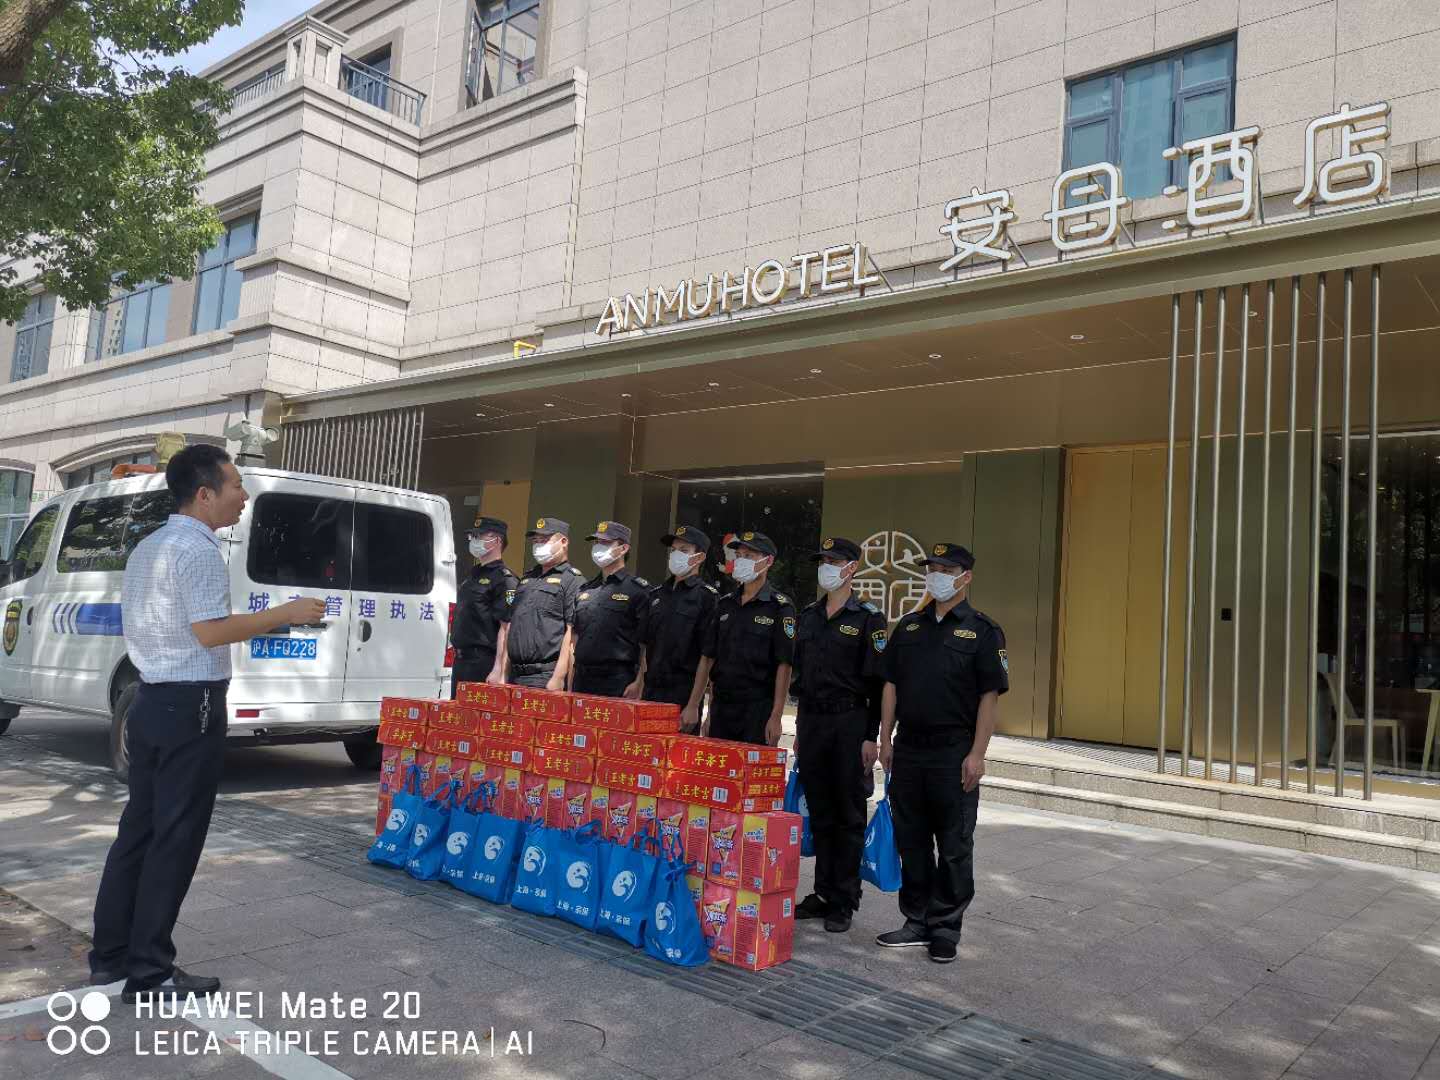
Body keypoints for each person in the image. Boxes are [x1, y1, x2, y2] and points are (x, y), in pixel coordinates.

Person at [90, 445, 327, 1002]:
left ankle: (111, 956)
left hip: (150, 701)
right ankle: (149, 972)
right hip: (190, 705)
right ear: (204, 494)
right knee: (174, 838)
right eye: (236, 485)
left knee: (138, 830)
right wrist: (285, 613)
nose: (243, 496)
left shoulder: (150, 545)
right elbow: (210, 632)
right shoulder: (197, 550)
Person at [876, 542, 1006, 964]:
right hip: (909, 749)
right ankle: (916, 920)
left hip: (953, 752)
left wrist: (978, 753)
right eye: (932, 568)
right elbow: (890, 684)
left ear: (965, 577)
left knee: (954, 844)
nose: (936, 576)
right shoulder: (909, 626)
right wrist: (886, 738)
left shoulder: (983, 631)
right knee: (911, 840)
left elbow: (989, 696)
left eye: (946, 570)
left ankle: (946, 927)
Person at [792, 537, 887, 934]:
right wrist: (800, 730)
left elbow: (878, 683)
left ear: (851, 568)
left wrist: (871, 736)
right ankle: (823, 891)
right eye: (823, 561)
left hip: (850, 723)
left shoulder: (868, 618)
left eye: (833, 561)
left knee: (848, 813)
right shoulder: (810, 615)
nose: (826, 567)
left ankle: (844, 899)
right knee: (820, 810)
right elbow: (802, 678)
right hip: (813, 722)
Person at [686, 531, 795, 746]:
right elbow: (710, 659)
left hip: (757, 708)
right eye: (739, 555)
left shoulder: (779, 607)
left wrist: (776, 716)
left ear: (768, 561)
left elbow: (784, 665)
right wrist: (705, 710)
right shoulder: (725, 604)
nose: (742, 561)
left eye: (749, 556)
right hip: (722, 706)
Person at [641, 525, 718, 729]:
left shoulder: (706, 598)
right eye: (674, 550)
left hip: (682, 696)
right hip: (650, 692)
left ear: (699, 557)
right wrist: (639, 685)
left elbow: (707, 658)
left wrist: (693, 704)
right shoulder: (656, 594)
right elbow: (646, 646)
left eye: (684, 551)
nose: (676, 555)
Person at [501, 516, 584, 689]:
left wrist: (559, 677)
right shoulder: (527, 578)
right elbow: (512, 625)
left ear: (563, 542)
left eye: (545, 540)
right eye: (536, 541)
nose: (538, 545)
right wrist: (503, 673)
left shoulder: (572, 580)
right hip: (514, 675)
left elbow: (571, 634)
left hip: (544, 676)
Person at [570, 521, 650, 697]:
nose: (599, 547)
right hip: (582, 678)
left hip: (617, 680)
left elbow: (646, 644)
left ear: (623, 548)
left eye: (606, 543)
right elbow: (575, 638)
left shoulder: (637, 590)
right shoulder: (586, 590)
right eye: (597, 542)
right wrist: (570, 679)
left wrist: (639, 682)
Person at [449, 514, 517, 695]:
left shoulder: (504, 579)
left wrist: (499, 669)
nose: (474, 540)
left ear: (497, 541)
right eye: (473, 536)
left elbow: (506, 627)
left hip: (483, 662)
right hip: (461, 660)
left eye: (480, 536)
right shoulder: (473, 575)